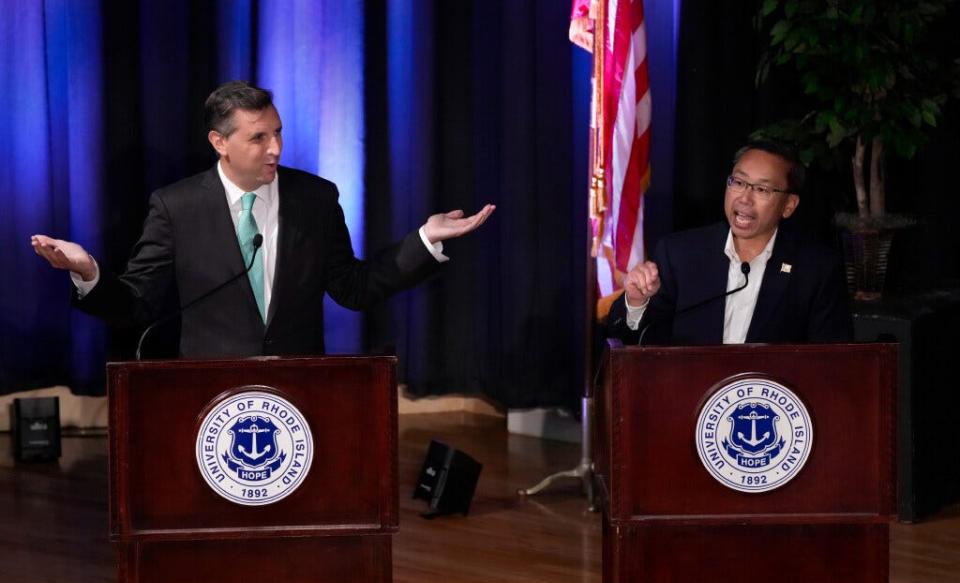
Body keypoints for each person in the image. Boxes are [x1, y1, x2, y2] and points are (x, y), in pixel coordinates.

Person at [31, 80, 494, 358]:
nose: (275, 148)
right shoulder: (178, 207)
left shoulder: (314, 197)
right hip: (211, 397)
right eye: (258, 138)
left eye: (277, 133)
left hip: (295, 390)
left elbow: (353, 288)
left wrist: (423, 240)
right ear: (219, 142)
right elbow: (138, 305)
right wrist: (88, 272)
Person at [606, 140, 852, 345]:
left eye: (762, 190)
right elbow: (630, 340)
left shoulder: (816, 270)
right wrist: (636, 302)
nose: (744, 198)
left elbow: (830, 364)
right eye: (739, 182)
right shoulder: (679, 254)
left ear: (788, 206)